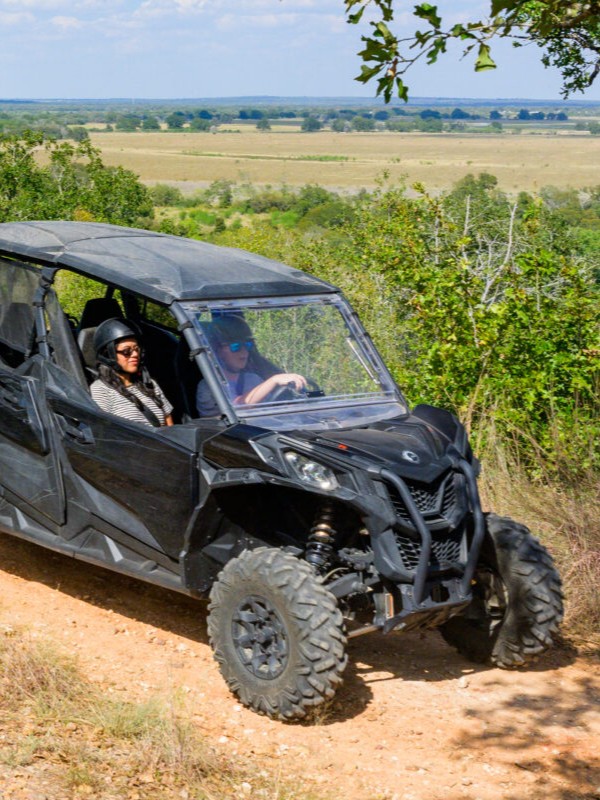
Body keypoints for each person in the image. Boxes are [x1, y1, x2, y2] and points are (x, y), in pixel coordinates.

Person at [196, 315, 307, 416]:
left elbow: (271, 407)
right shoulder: (209, 386)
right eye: (235, 347)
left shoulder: (253, 379)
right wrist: (274, 380)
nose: (244, 352)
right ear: (217, 351)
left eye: (248, 345)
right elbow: (237, 408)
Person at [91, 318, 173, 428]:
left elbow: (169, 422)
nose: (135, 355)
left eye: (137, 349)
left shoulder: (149, 383)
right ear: (109, 355)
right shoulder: (101, 390)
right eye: (126, 351)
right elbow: (104, 430)